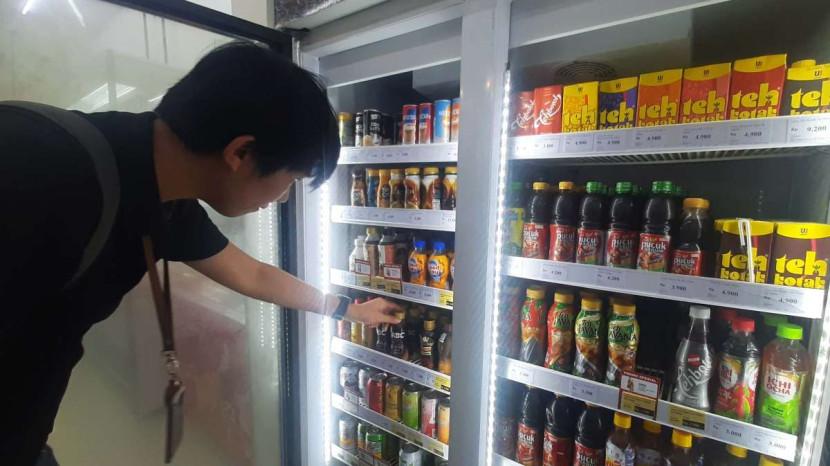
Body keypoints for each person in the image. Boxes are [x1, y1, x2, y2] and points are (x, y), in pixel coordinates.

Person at [0, 41, 401, 465]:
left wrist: (347, 310)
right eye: (291, 181)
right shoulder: (41, 171)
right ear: (240, 153)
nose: (282, 197)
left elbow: (252, 275)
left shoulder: (166, 196)